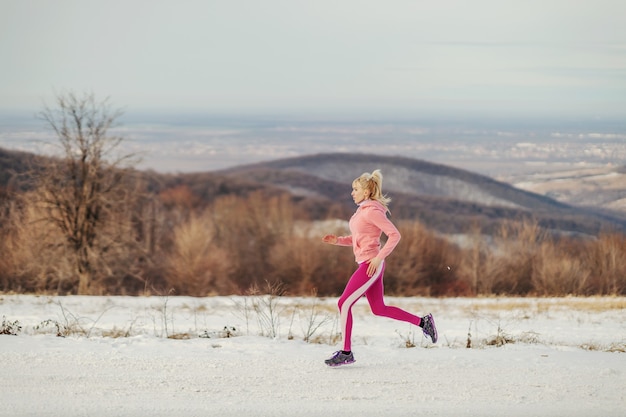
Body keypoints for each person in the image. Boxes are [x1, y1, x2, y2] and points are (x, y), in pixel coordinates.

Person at [322, 169, 437, 367]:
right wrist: (338, 241)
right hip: (368, 263)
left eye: (355, 189)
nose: (352, 192)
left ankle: (346, 351)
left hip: (370, 265)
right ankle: (423, 322)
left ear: (366, 192)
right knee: (379, 309)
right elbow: (360, 238)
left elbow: (395, 235)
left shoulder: (372, 211)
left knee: (344, 303)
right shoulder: (362, 211)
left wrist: (378, 258)